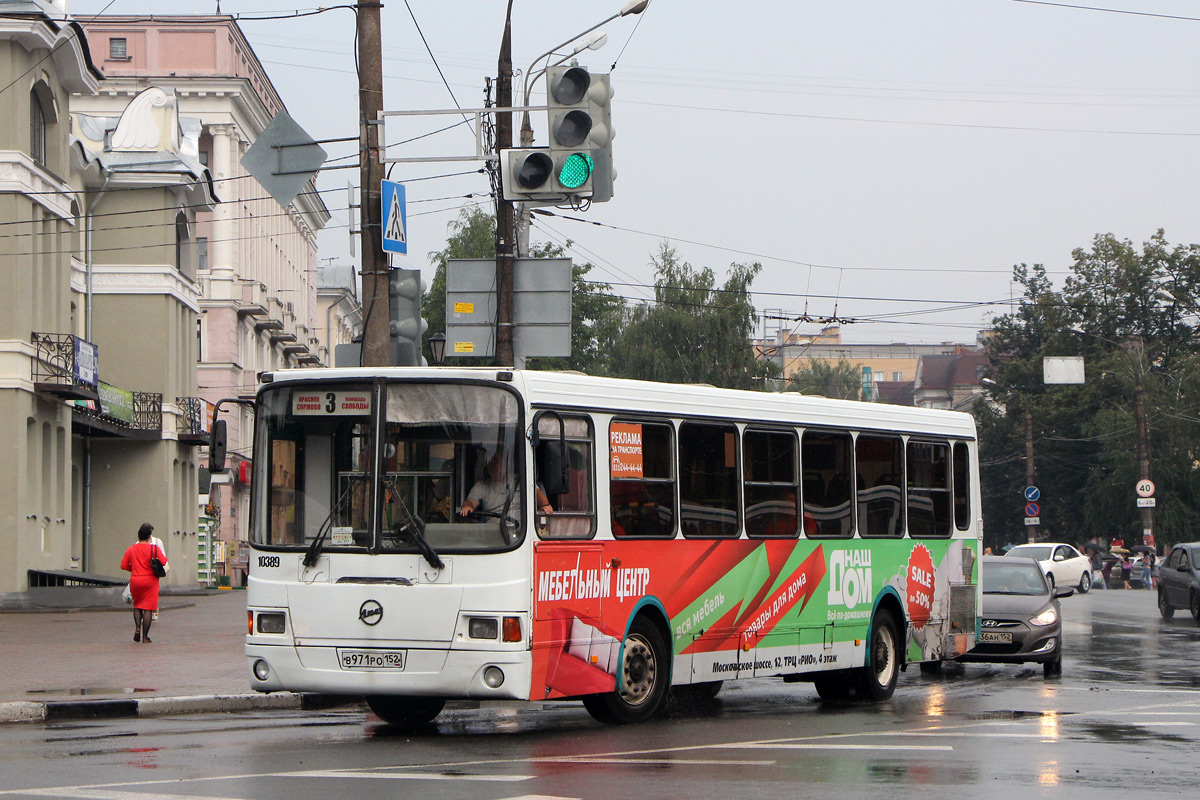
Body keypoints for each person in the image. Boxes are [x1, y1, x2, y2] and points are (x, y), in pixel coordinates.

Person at [458, 450, 551, 519]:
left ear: (506, 464)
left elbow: (537, 494)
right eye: (489, 462)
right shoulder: (481, 486)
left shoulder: (521, 481)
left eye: (496, 462)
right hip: (492, 532)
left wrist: (545, 505)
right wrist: (468, 506)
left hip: (520, 531)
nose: (492, 465)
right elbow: (471, 501)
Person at [120, 522, 168, 643]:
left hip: (136, 580)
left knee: (137, 605)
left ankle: (137, 628)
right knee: (148, 608)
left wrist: (135, 569)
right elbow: (164, 561)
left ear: (138, 536)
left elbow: (123, 565)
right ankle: (145, 636)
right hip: (150, 580)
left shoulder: (131, 549)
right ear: (149, 536)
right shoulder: (154, 548)